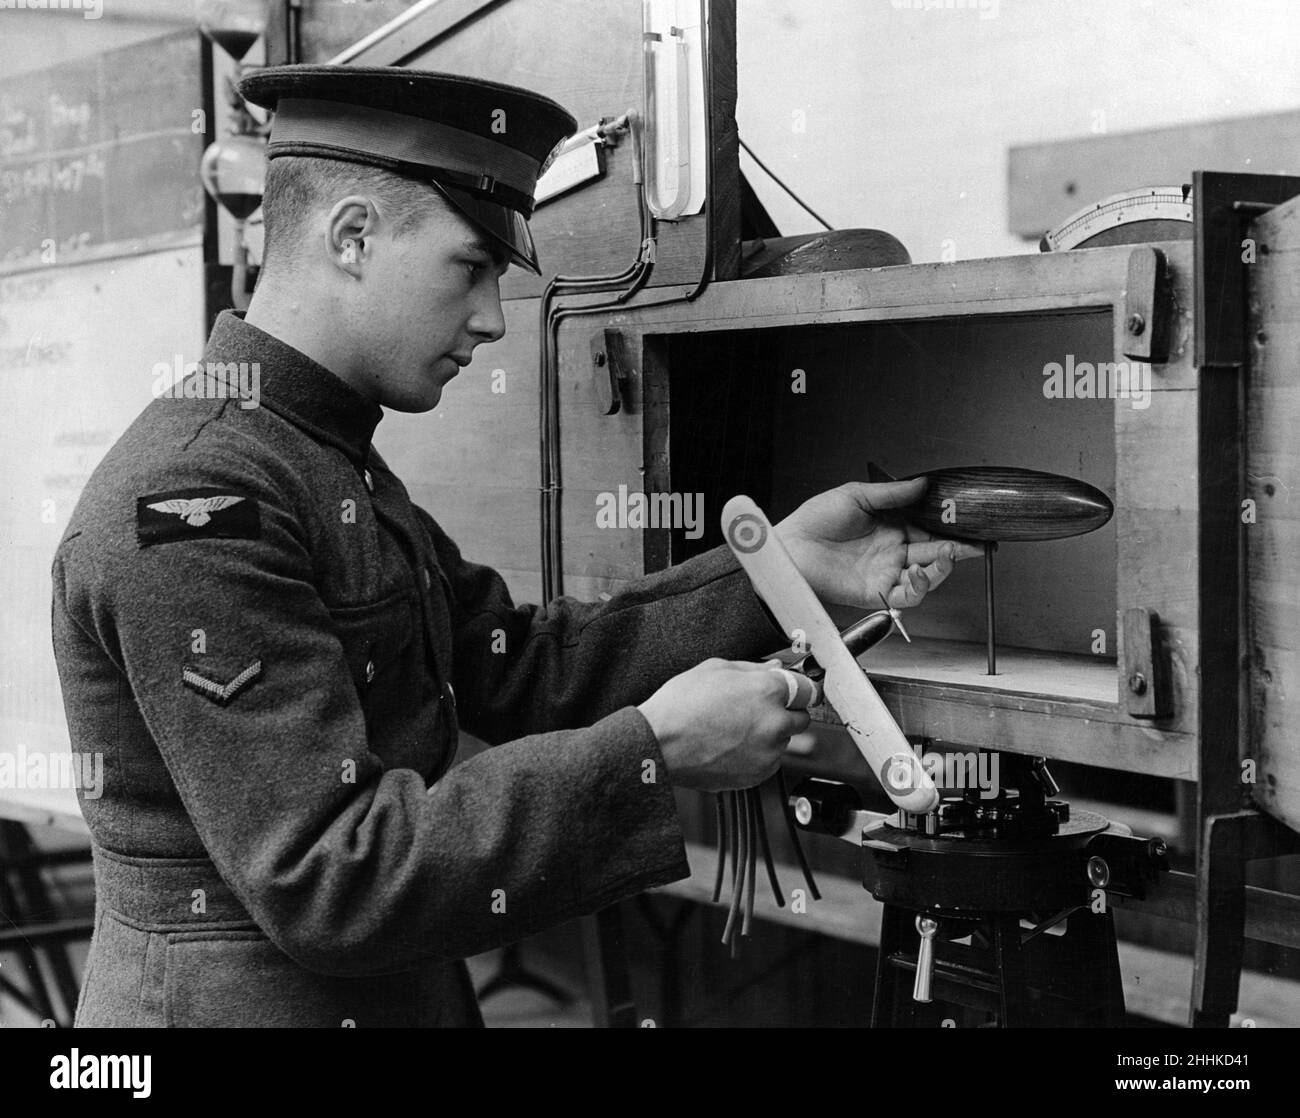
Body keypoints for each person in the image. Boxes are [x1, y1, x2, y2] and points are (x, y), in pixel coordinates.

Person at [50, 65, 974, 1027]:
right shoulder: (201, 498)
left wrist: (782, 568)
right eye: (472, 267)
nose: (494, 318)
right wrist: (654, 752)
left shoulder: (316, 457)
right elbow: (336, 877)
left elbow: (517, 661)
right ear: (353, 237)